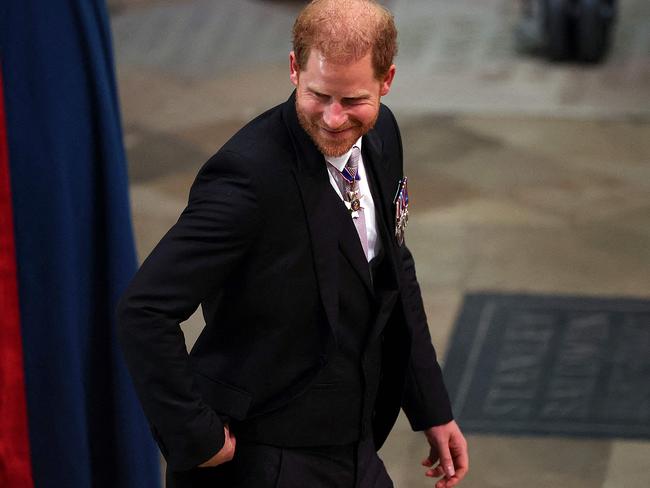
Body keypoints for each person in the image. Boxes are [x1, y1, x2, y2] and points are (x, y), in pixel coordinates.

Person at [117, 1, 468, 487]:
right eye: (318, 94)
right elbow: (144, 309)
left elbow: (393, 272)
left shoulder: (383, 133)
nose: (333, 118)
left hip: (357, 443)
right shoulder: (247, 178)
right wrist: (197, 436)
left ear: (387, 81)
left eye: (353, 101)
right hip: (266, 459)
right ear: (292, 68)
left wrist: (431, 405)